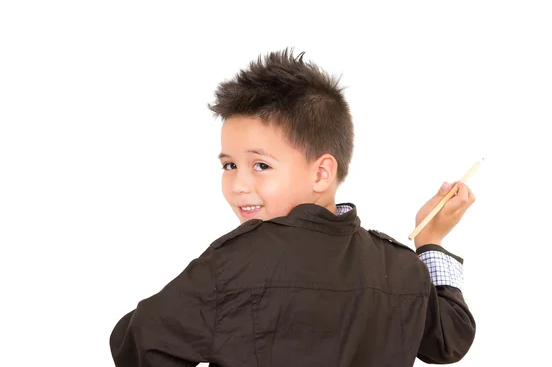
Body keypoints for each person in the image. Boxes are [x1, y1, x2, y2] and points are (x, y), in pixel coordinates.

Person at [109, 49, 476, 366]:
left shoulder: (232, 263)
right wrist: (430, 242)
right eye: (228, 165)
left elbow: (139, 343)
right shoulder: (401, 268)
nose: (238, 185)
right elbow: (448, 340)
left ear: (321, 172)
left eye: (261, 165)